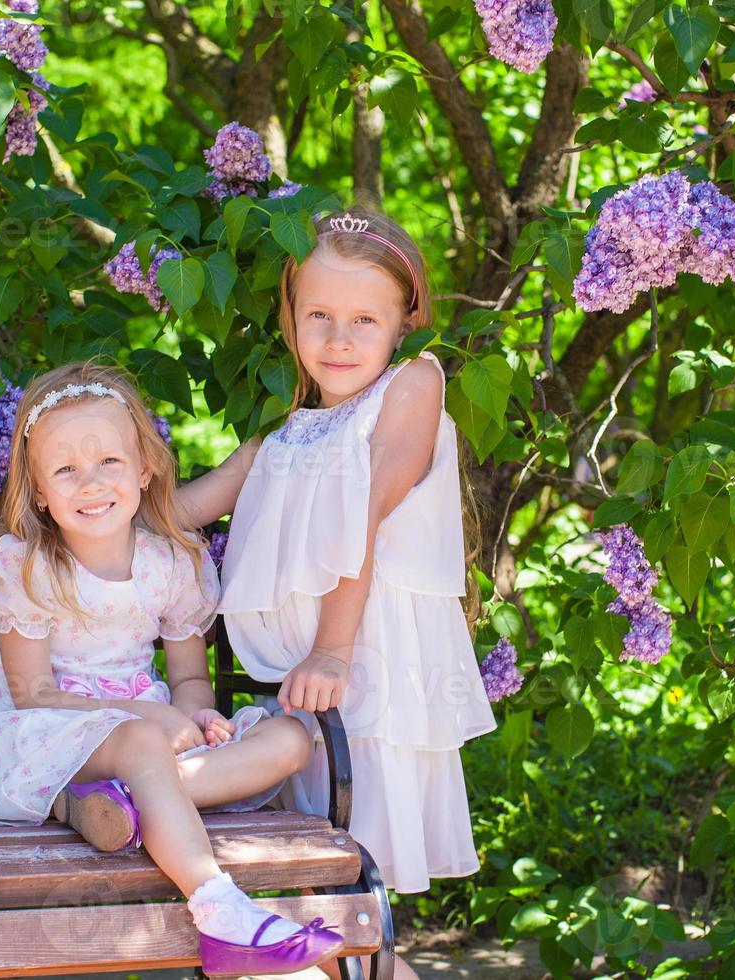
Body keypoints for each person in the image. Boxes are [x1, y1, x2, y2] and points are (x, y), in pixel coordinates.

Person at [0, 360, 343, 975]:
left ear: (145, 469)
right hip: (41, 731)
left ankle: (116, 803)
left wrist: (196, 711)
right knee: (144, 741)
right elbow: (32, 694)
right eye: (65, 470)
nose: (89, 483)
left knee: (291, 739)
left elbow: (188, 678)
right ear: (39, 489)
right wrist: (146, 717)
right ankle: (221, 910)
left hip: (146, 736)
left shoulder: (171, 562)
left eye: (108, 463)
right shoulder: (30, 567)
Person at [180, 209, 497, 980]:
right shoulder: (289, 428)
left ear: (405, 321)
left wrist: (333, 647)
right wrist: (64, 506)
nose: (340, 338)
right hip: (298, 692)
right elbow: (186, 508)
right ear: (289, 318)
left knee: (351, 893)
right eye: (317, 315)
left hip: (360, 674)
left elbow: (368, 509)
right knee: (317, 905)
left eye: (365, 319)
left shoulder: (411, 385)